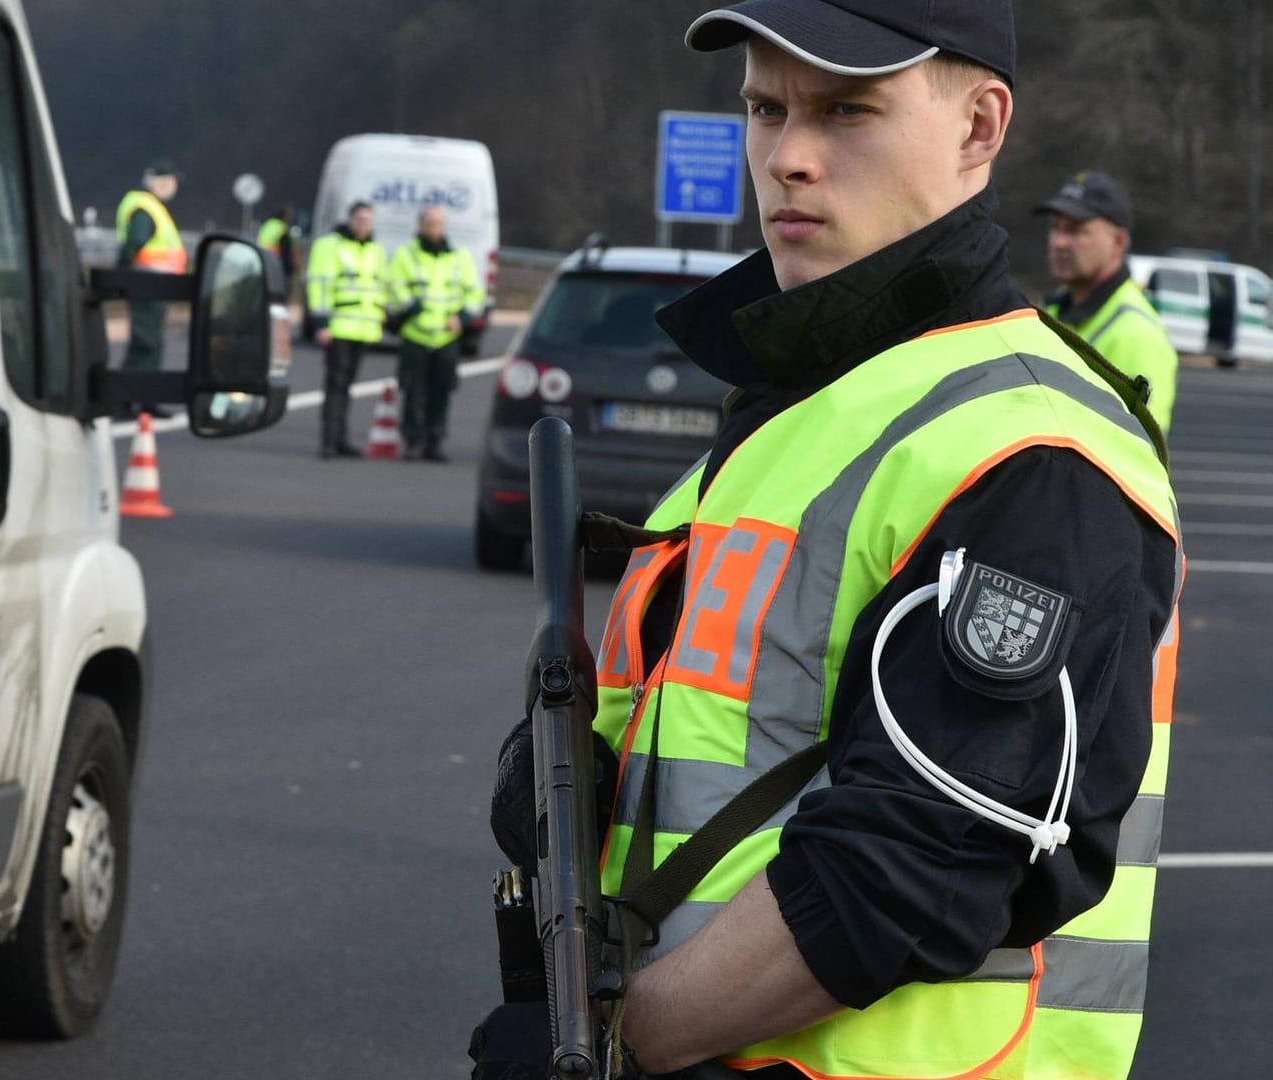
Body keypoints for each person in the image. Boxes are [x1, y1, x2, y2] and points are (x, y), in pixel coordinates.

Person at [475, 3, 1180, 1078]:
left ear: (980, 129)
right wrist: (589, 778)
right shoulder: (812, 399)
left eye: (848, 111)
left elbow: (916, 865)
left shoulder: (1031, 451)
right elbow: (746, 739)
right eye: (765, 108)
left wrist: (615, 1047)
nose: (788, 158)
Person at [1038, 170, 1181, 432]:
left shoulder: (1136, 334)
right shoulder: (1054, 311)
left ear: (1118, 241)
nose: (1059, 242)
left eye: (1076, 230)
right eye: (1055, 228)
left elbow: (1139, 452)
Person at [388, 206, 485, 461]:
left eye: (439, 224)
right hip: (416, 333)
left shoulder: (458, 256)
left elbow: (474, 292)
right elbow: (394, 286)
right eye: (430, 223)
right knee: (413, 390)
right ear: (420, 225)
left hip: (446, 336)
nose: (434, 229)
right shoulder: (406, 254)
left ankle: (435, 439)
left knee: (442, 390)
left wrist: (462, 317)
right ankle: (413, 440)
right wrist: (411, 307)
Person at [304, 201, 387, 458]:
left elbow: (380, 287)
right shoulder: (330, 246)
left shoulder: (375, 250)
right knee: (336, 386)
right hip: (339, 327)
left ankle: (341, 439)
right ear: (350, 220)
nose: (364, 225)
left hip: (364, 329)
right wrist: (321, 323)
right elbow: (319, 285)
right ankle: (329, 440)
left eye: (368, 220)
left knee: (348, 387)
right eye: (360, 219)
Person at [116, 158, 188, 378]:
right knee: (145, 342)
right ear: (162, 182)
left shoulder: (151, 206)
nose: (175, 185)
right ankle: (127, 397)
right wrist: (121, 278)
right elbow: (134, 243)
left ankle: (147, 398)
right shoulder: (145, 208)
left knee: (153, 342)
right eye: (172, 180)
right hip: (146, 285)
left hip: (155, 286)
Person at [256, 203, 300, 282]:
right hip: (278, 267)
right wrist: (288, 272)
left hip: (264, 265)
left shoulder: (268, 225)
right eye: (291, 215)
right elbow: (286, 253)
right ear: (285, 216)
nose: (292, 218)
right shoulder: (282, 229)